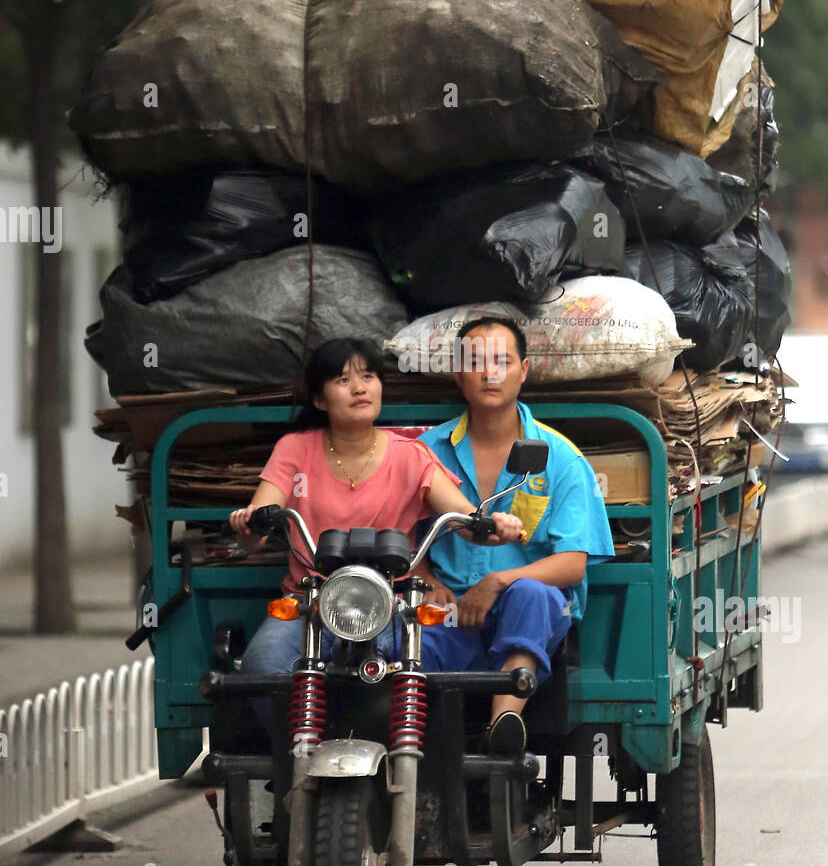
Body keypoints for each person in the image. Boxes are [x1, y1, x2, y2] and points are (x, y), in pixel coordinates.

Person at [229, 337, 524, 737]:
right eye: (342, 379)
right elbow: (260, 526)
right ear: (319, 399)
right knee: (264, 667)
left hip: (391, 603)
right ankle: (294, 766)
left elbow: (464, 519)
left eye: (368, 376)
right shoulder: (294, 450)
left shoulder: (410, 456)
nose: (359, 387)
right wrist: (249, 526)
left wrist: (495, 527)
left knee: (400, 674)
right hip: (309, 601)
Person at [410, 316, 614, 755]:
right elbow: (403, 539)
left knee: (534, 595)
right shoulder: (425, 452)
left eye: (502, 361)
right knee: (402, 637)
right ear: (457, 373)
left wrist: (498, 582)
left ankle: (504, 722)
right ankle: (416, 757)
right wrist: (429, 583)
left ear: (524, 370)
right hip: (451, 615)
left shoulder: (560, 457)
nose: (490, 373)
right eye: (476, 362)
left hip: (527, 615)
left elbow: (573, 563)